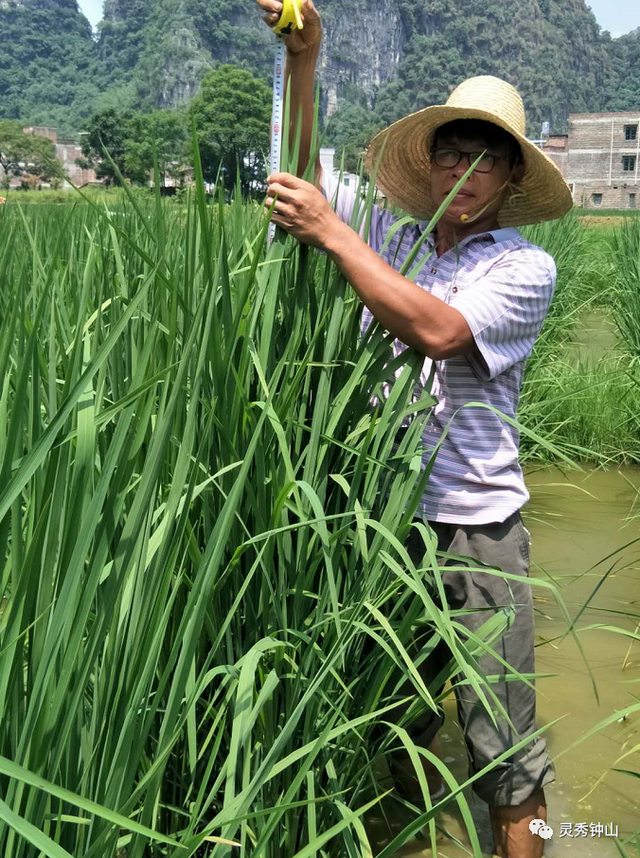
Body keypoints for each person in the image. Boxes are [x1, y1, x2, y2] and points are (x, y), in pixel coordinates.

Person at [257, 2, 573, 856]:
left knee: (502, 746)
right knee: (388, 723)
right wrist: (305, 61)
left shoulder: (521, 266)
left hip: (473, 528)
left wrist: (333, 234)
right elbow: (299, 185)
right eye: (453, 152)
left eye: (488, 159)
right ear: (429, 164)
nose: (467, 171)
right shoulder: (394, 232)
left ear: (510, 180)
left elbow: (435, 329)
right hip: (381, 524)